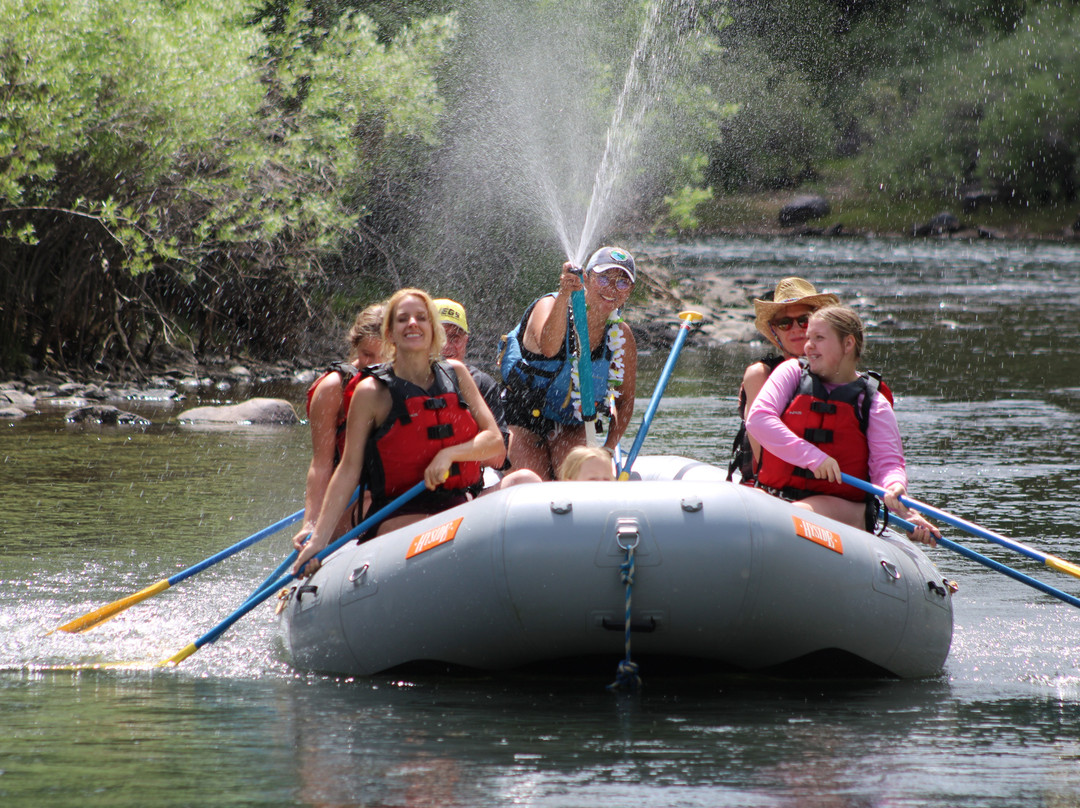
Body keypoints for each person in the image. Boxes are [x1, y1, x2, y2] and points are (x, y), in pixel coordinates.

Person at [294, 288, 504, 576]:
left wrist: (450, 454)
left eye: (421, 317)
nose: (413, 323)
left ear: (433, 330)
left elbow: (494, 442)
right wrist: (317, 537)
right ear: (390, 333)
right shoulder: (370, 392)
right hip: (398, 514)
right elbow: (348, 470)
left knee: (518, 488)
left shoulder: (456, 373)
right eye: (403, 319)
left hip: (458, 505)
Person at [745, 305, 938, 545]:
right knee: (740, 509)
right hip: (776, 495)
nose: (808, 346)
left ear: (848, 344)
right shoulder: (791, 372)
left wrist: (897, 491)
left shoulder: (873, 402)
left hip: (842, 506)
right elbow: (759, 418)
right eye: (809, 338)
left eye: (819, 338)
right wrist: (813, 458)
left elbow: (887, 465)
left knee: (793, 515)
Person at [500, 246, 638, 480]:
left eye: (622, 283)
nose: (612, 289)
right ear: (586, 278)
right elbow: (549, 348)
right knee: (533, 481)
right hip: (523, 417)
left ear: (630, 291)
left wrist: (606, 449)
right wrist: (565, 294)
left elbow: (624, 402)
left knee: (585, 479)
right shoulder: (550, 305)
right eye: (604, 278)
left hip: (571, 423)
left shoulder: (621, 337)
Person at [728, 277, 844, 484]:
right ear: (775, 331)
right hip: (774, 488)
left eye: (804, 320)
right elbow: (762, 456)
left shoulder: (842, 373)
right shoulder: (759, 374)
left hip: (830, 487)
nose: (796, 328)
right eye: (784, 323)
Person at [292, 303, 385, 552]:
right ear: (354, 346)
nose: (375, 364)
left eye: (384, 356)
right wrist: (310, 524)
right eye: (367, 354)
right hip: (349, 504)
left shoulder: (404, 379)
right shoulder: (333, 388)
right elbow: (321, 464)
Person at [434, 298, 509, 470]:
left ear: (466, 340)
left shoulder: (482, 383)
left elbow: (497, 457)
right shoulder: (407, 378)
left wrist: (449, 456)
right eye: (439, 336)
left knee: (524, 478)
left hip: (472, 480)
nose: (447, 346)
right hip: (421, 479)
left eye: (455, 337)